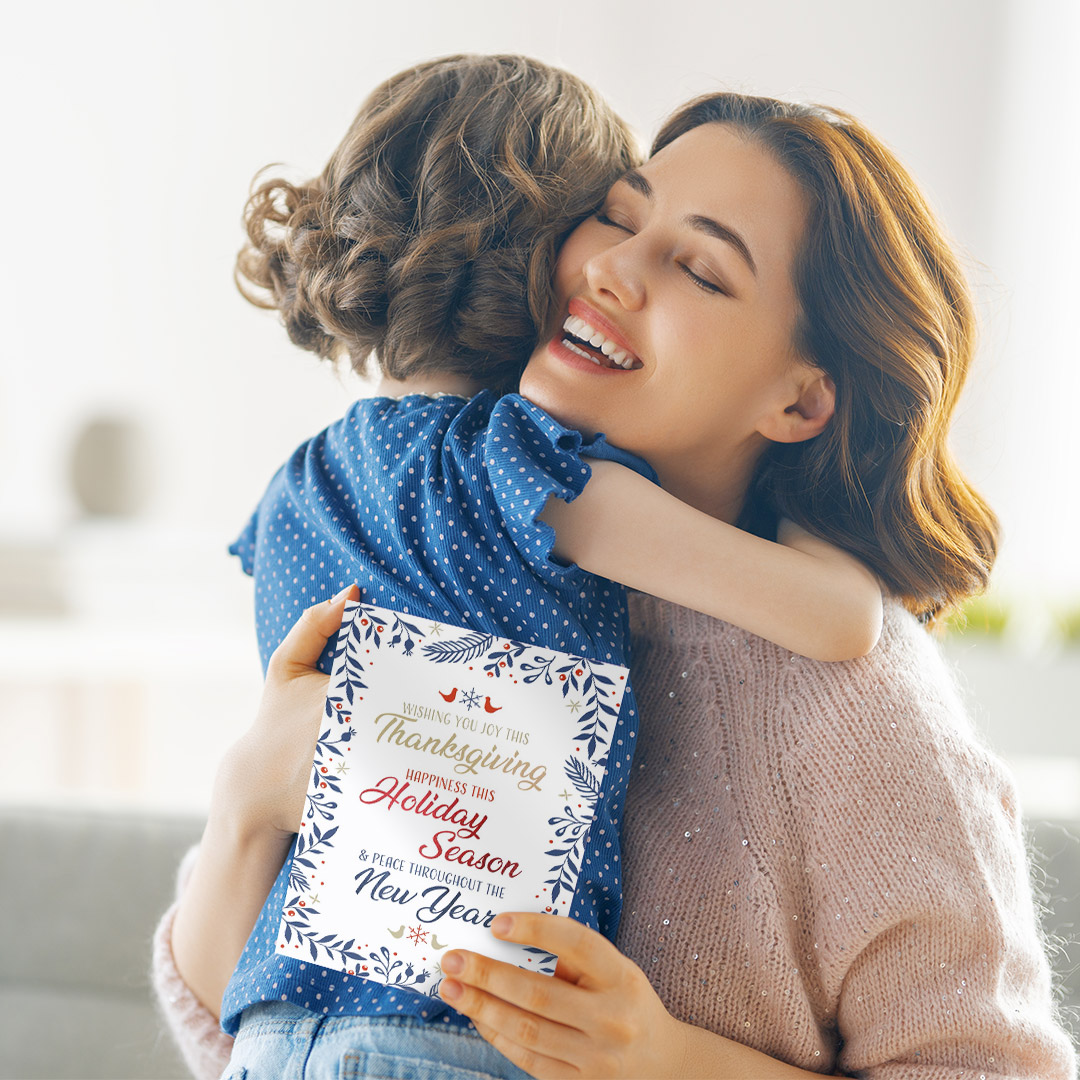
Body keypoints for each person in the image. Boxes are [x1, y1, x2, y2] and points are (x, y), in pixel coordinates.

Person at [151, 83, 1078, 1078]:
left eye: (702, 270)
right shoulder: (444, 559)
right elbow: (244, 1030)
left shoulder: (854, 710)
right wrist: (249, 796)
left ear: (800, 400)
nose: (612, 270)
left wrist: (668, 1060)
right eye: (619, 217)